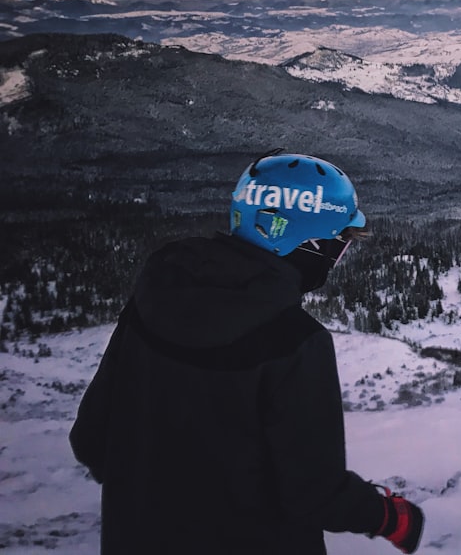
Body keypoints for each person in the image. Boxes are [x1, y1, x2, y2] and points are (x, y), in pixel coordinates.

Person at [70, 151, 424, 555]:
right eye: (338, 244)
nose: (338, 257)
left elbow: (90, 440)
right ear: (308, 243)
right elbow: (314, 493)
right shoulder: (293, 341)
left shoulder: (154, 295)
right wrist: (391, 518)